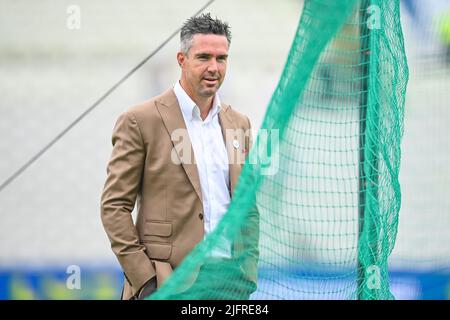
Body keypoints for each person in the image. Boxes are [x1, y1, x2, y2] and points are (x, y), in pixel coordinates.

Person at [100, 13, 258, 300]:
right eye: (203, 57)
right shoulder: (140, 120)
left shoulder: (240, 123)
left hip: (228, 282)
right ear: (181, 59)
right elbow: (114, 206)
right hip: (167, 281)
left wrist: (247, 270)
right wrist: (145, 279)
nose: (214, 67)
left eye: (221, 58)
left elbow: (247, 205)